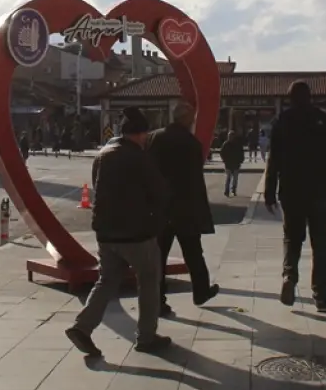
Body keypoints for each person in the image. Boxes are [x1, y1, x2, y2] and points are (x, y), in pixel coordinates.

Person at [66, 107, 170, 357]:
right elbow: (158, 193)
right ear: (140, 134)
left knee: (107, 280)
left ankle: (82, 327)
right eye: (145, 135)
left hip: (105, 232)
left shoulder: (103, 155)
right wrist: (158, 221)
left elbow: (97, 187)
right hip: (137, 232)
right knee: (148, 280)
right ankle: (146, 336)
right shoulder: (140, 158)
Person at [263, 81, 326, 313]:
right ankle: (321, 296)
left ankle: (289, 275)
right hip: (322, 190)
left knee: (292, 238)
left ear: (290, 98)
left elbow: (273, 160)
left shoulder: (282, 122)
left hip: (292, 190)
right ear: (310, 96)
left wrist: (269, 192)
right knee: (321, 244)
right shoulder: (325, 121)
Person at [148, 102, 220, 316]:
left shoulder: (155, 138)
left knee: (158, 256)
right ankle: (201, 291)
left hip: (160, 208)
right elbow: (195, 181)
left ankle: (157, 301)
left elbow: (148, 172)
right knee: (193, 253)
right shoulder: (191, 144)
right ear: (187, 119)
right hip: (185, 208)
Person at [219, 130, 245, 197]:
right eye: (229, 136)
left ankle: (233, 190)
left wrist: (241, 160)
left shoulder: (238, 144)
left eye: (231, 136)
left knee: (235, 179)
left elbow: (241, 153)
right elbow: (222, 153)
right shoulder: (225, 144)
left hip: (236, 164)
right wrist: (224, 160)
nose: (230, 137)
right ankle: (227, 191)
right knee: (228, 178)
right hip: (228, 164)